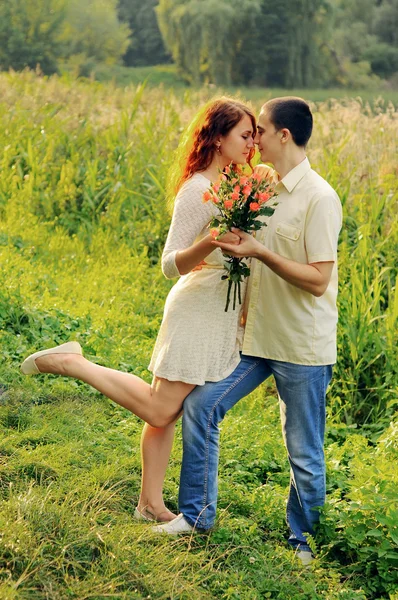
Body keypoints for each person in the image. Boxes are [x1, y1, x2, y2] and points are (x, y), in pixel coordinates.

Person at [20, 97, 258, 523]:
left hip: (217, 313)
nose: (251, 144)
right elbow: (170, 263)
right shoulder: (198, 189)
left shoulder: (234, 186)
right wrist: (211, 241)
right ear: (219, 138)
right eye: (244, 135)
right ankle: (72, 363)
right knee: (160, 407)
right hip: (196, 309)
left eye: (254, 136)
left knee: (163, 411)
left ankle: (150, 503)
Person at [151, 97, 343, 566]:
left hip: (300, 346)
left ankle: (306, 542)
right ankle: (197, 515)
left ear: (283, 136)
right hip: (255, 341)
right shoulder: (264, 187)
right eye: (248, 132)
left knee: (303, 451)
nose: (254, 139)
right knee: (200, 405)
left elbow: (318, 280)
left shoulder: (320, 197)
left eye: (262, 130)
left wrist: (258, 253)